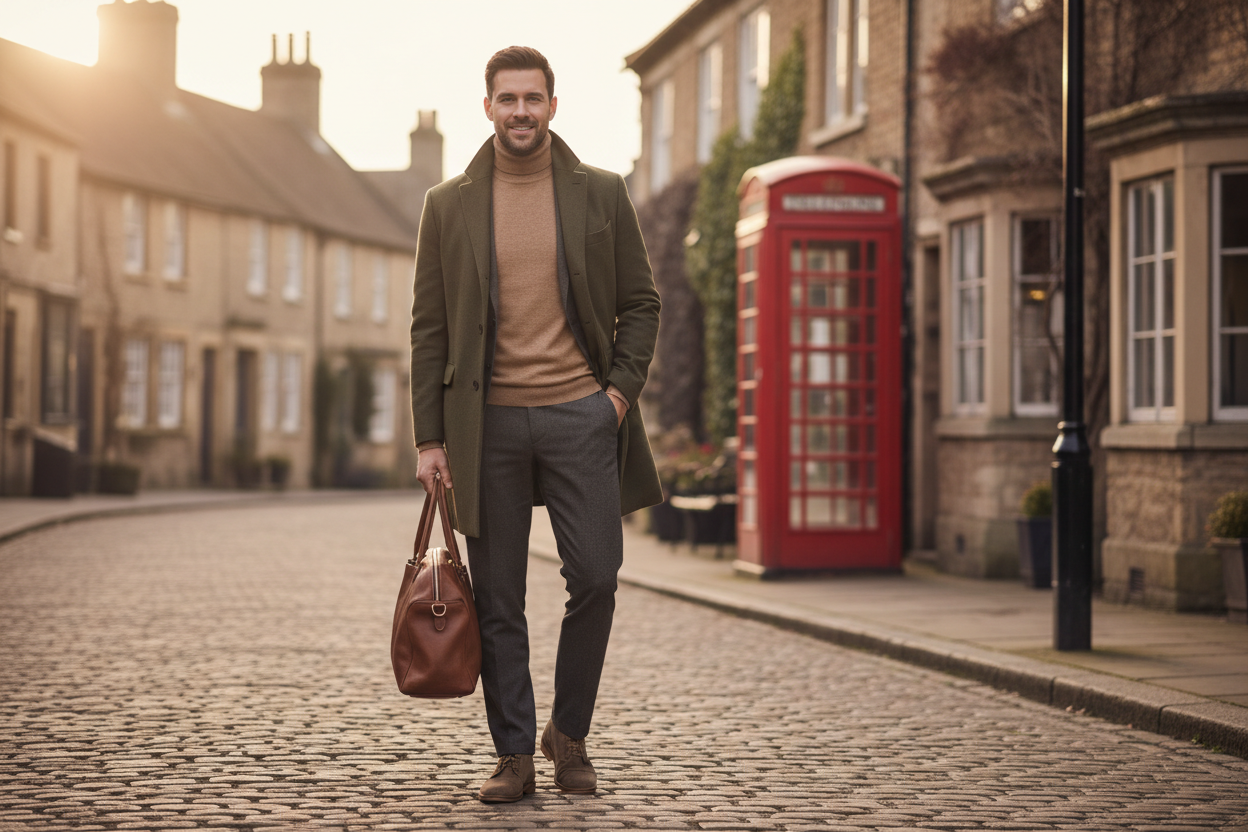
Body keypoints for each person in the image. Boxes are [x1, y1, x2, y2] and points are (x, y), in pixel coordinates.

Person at [409, 45, 662, 803]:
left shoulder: (603, 193)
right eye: (507, 98)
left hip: (580, 419)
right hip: (485, 429)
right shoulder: (447, 205)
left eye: (533, 98)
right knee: (499, 598)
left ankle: (570, 737)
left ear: (554, 106)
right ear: (486, 107)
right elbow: (429, 328)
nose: (520, 110)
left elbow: (641, 304)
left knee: (596, 577)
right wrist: (430, 438)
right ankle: (515, 754)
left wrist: (612, 399)